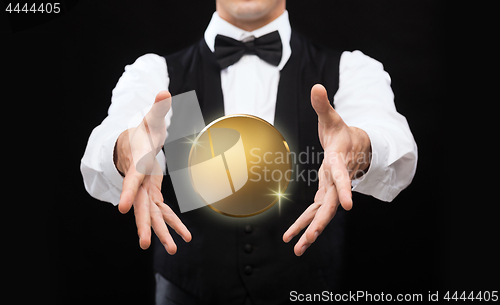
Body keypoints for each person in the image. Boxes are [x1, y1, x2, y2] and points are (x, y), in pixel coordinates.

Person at [81, 0, 417, 304]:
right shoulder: (157, 75)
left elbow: (394, 145)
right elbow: (108, 140)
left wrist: (355, 149)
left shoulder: (349, 71)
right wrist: (128, 150)